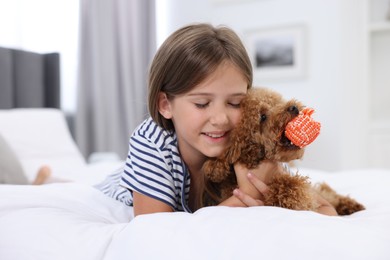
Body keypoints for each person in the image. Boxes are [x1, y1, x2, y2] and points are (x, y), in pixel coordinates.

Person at [97, 23, 337, 216]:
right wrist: (241, 200)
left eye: (235, 103)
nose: (221, 119)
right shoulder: (152, 141)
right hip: (118, 185)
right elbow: (154, 233)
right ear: (166, 105)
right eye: (201, 104)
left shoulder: (253, 146)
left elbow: (326, 210)